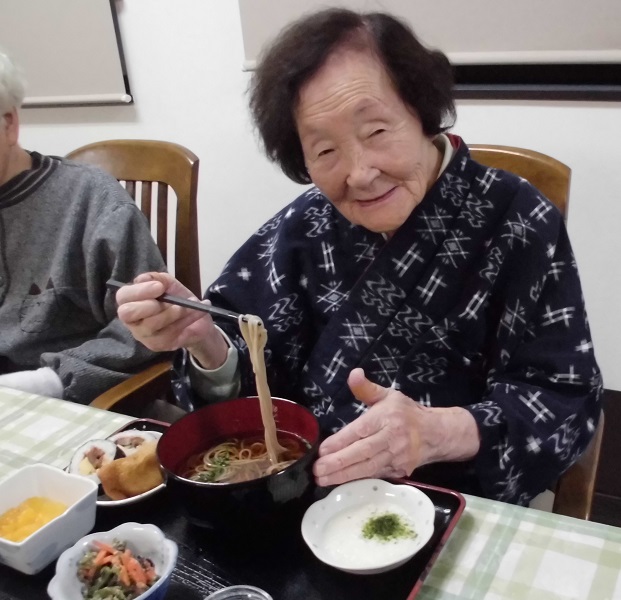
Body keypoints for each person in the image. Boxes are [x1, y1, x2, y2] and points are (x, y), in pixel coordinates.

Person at [116, 9, 602, 504]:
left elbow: (565, 401)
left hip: (450, 504)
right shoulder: (305, 226)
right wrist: (204, 340)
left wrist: (439, 432)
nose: (360, 174)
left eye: (376, 132)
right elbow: (254, 382)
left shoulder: (518, 220)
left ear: (421, 112)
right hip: (305, 498)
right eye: (325, 151)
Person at [0, 50, 166, 403]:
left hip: (74, 401)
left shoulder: (92, 200)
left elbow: (147, 329)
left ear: (9, 123)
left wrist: (41, 383)